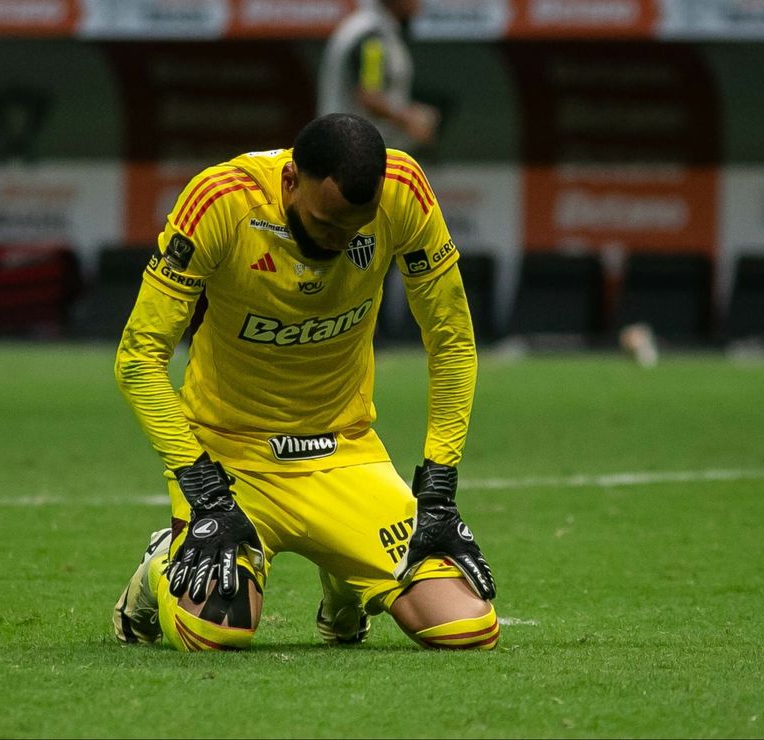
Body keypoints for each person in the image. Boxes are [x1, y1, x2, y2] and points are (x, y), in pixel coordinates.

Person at [111, 113, 497, 652]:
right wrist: (203, 492)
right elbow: (138, 358)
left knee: (468, 629)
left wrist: (437, 492)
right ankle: (158, 570)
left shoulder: (404, 191)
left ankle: (343, 584)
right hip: (230, 461)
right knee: (212, 633)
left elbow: (452, 342)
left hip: (345, 451)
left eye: (353, 230)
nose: (339, 244)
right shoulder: (221, 201)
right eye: (326, 224)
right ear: (291, 181)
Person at [318, 0, 439, 153]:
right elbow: (369, 96)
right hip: (352, 151)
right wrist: (410, 119)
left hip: (351, 145)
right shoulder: (371, 37)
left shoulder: (371, 27)